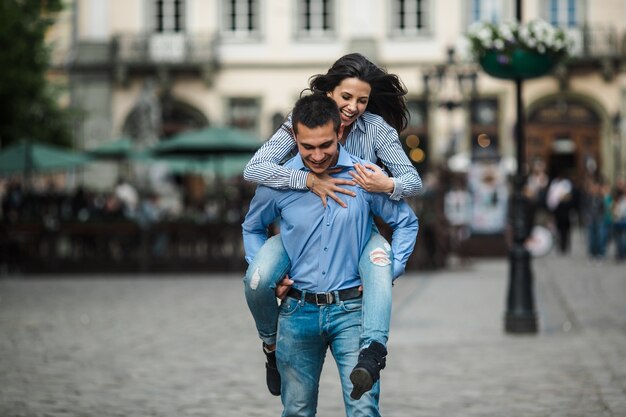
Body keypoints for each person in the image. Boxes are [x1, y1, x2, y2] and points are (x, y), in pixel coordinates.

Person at [242, 53, 423, 397]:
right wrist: (307, 181)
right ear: (328, 93)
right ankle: (270, 347)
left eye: (362, 100)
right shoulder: (300, 123)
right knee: (259, 278)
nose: (354, 107)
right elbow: (254, 170)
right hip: (301, 227)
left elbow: (413, 184)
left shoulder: (376, 130)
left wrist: (387, 185)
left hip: (355, 224)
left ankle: (372, 354)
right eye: (346, 97)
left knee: (381, 264)